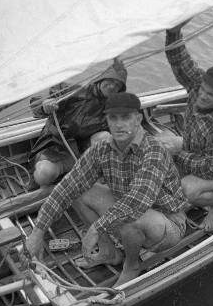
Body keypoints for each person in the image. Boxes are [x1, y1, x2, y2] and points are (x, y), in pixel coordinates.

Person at [24, 92, 187, 286]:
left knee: (132, 216)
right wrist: (38, 232)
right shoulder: (102, 150)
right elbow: (68, 186)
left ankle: (131, 265)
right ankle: (109, 251)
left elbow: (137, 201)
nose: (119, 124)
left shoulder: (154, 151)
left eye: (125, 117)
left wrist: (95, 228)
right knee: (79, 190)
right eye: (113, 118)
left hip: (167, 224)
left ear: (138, 119)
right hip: (127, 216)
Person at [158, 19, 213, 233]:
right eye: (203, 90)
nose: (203, 96)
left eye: (211, 95)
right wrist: (174, 32)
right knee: (157, 146)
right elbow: (180, 62)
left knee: (186, 187)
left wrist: (178, 153)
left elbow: (211, 169)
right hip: (195, 150)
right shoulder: (199, 86)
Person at [28, 58, 128, 186]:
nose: (113, 86)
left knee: (105, 137)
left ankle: (86, 173)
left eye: (118, 85)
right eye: (110, 81)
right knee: (44, 174)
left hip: (82, 153)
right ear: (102, 78)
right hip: (53, 148)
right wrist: (44, 105)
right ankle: (68, 174)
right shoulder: (74, 92)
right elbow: (36, 107)